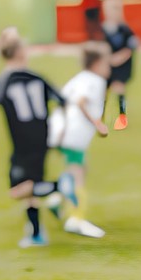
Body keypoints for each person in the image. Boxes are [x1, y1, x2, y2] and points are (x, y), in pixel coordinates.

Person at [0, 27, 67, 249]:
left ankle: (60, 187)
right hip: (43, 138)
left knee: (18, 190)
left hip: (22, 143)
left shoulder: (3, 81)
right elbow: (62, 101)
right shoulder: (37, 77)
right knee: (32, 185)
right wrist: (62, 130)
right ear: (21, 52)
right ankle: (37, 233)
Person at [49, 42, 111, 239]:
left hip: (58, 131)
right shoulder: (95, 80)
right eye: (107, 63)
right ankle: (76, 219)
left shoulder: (79, 78)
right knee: (78, 176)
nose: (109, 67)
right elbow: (81, 101)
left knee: (80, 168)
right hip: (73, 135)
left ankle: (57, 200)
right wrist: (97, 123)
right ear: (97, 64)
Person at [101, 0, 138, 131]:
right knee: (103, 91)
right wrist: (107, 59)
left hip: (121, 67)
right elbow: (99, 47)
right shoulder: (102, 29)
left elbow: (130, 47)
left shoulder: (125, 30)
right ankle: (101, 116)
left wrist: (118, 58)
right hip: (106, 67)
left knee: (119, 88)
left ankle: (122, 117)